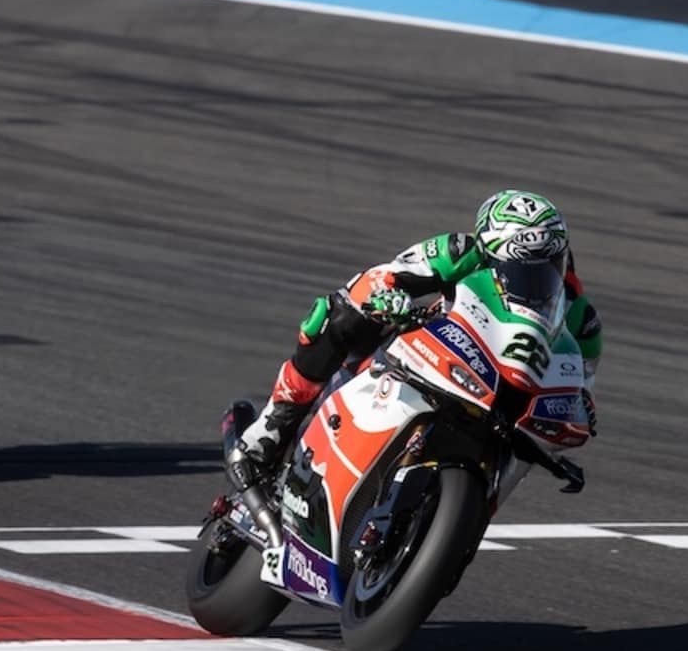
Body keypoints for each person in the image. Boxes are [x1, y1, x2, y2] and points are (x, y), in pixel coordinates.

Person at [230, 190, 602, 489]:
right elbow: (383, 276)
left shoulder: (579, 316)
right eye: (518, 270)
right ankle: (275, 424)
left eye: (547, 266)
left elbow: (579, 386)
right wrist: (387, 298)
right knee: (334, 314)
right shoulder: (459, 252)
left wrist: (579, 404)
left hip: (505, 400)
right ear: (488, 255)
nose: (534, 280)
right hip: (435, 353)